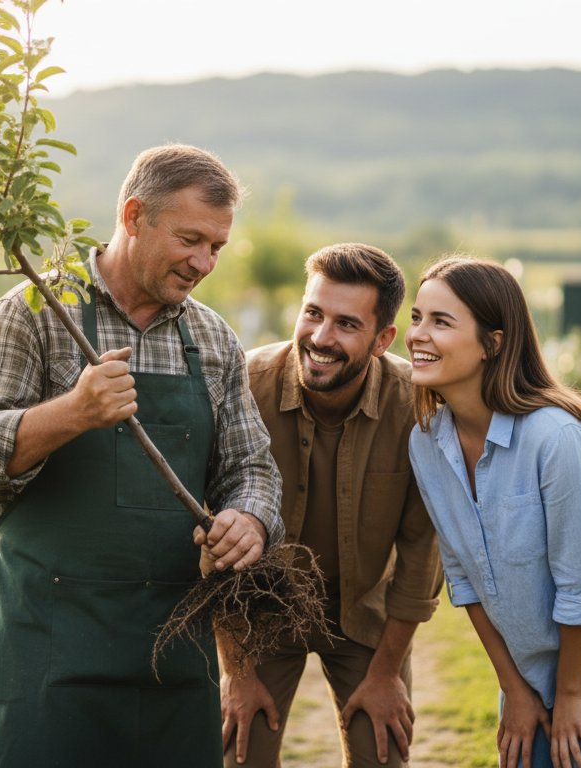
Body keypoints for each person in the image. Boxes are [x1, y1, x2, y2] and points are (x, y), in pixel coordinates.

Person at [0, 144, 285, 768]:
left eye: (217, 247)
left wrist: (250, 519)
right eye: (190, 239)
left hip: (172, 645)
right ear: (133, 216)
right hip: (51, 640)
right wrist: (73, 412)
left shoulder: (211, 340)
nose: (204, 262)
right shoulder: (37, 313)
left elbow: (251, 469)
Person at [404, 256, 581, 768]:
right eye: (417, 317)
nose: (418, 334)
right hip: (538, 658)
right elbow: (464, 578)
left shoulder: (554, 440)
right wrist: (515, 689)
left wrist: (570, 693)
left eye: (441, 322)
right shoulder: (426, 443)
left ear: (494, 342)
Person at [221, 243, 443, 768]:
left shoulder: (417, 407)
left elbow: (421, 550)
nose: (321, 338)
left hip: (365, 612)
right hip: (259, 612)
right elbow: (213, 534)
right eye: (313, 313)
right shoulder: (243, 387)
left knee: (382, 756)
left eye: (346, 324)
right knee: (238, 755)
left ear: (383, 338)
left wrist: (387, 673)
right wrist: (238, 672)